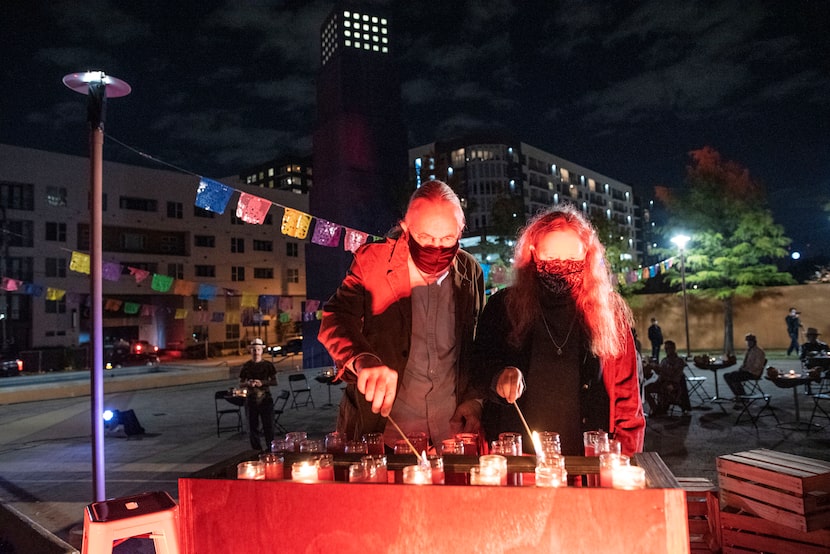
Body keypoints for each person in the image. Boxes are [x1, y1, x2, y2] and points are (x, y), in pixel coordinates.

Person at [318, 179, 485, 449]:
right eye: (425, 239)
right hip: (386, 432)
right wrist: (363, 359)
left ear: (461, 231)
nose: (437, 249)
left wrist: (475, 399)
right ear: (406, 229)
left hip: (450, 431)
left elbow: (475, 346)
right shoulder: (373, 261)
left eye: (447, 239)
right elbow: (337, 316)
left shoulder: (471, 271)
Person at [473, 204, 645, 457]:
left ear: (587, 256)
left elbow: (628, 403)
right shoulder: (503, 307)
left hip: (589, 464)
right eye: (551, 259)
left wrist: (624, 461)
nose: (560, 268)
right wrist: (497, 377)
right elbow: (476, 367)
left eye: (571, 260)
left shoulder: (610, 313)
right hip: (519, 462)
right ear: (532, 254)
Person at [239, 338, 277, 451]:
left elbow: (275, 381)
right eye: (254, 350)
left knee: (268, 427)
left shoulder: (268, 365)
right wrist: (248, 383)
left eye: (258, 350)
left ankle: (270, 450)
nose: (256, 352)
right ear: (251, 351)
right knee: (252, 427)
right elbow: (241, 383)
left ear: (262, 350)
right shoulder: (246, 366)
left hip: (265, 399)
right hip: (251, 399)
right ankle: (256, 451)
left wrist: (263, 383)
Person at [644, 340, 691, 416]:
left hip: (673, 384)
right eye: (665, 349)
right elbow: (660, 372)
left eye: (668, 348)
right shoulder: (664, 360)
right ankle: (655, 408)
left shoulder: (679, 361)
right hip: (661, 382)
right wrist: (653, 367)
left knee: (665, 389)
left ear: (673, 349)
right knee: (645, 389)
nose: (666, 351)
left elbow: (673, 374)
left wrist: (659, 369)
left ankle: (663, 407)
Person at [724, 333, 765, 398]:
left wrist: (745, 369)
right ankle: (738, 395)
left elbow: (757, 366)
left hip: (753, 373)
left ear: (754, 342)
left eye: (750, 341)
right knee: (727, 376)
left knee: (735, 377)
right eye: (747, 342)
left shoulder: (759, 351)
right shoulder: (749, 350)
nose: (748, 343)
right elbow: (745, 363)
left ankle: (742, 396)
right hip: (746, 371)